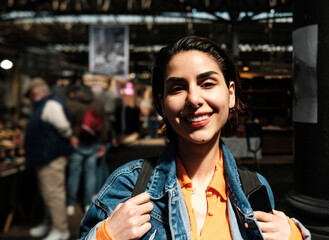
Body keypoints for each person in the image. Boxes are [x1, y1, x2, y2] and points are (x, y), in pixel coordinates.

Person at [79, 36, 311, 239]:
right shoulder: (128, 186)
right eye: (178, 88)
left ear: (230, 95)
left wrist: (293, 237)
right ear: (161, 104)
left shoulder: (256, 189)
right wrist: (105, 237)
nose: (194, 99)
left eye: (207, 84)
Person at [24, 77, 73, 240]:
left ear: (35, 93)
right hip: (44, 157)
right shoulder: (44, 105)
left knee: (54, 194)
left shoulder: (51, 105)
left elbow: (65, 128)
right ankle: (50, 223)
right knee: (47, 195)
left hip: (51, 157)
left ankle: (60, 229)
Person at [65, 83, 109, 216]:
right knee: (91, 174)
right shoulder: (97, 103)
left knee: (74, 174)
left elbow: (66, 123)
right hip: (94, 142)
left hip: (77, 142)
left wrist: (72, 136)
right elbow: (105, 123)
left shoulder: (71, 104)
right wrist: (102, 142)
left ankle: (70, 204)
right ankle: (87, 203)